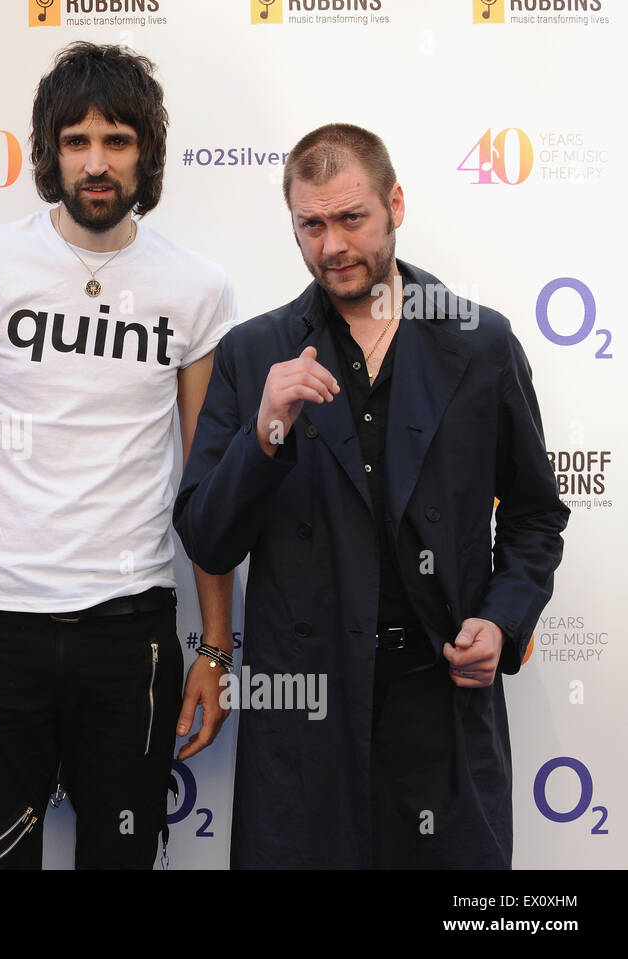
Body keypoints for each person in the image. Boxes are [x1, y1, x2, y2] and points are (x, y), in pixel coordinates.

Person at [173, 123, 568, 868]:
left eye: (351, 218)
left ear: (395, 205)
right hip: (306, 716)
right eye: (310, 224)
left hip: (441, 705)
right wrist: (262, 437)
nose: (331, 246)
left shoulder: (481, 343)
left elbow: (534, 516)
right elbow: (208, 537)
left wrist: (503, 619)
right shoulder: (255, 352)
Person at [0, 41, 239, 870]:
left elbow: (206, 484)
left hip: (131, 633)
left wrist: (214, 644)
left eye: (118, 140)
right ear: (50, 151)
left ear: (147, 154)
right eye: (76, 141)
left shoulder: (196, 288)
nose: (96, 163)